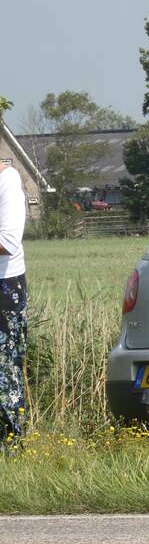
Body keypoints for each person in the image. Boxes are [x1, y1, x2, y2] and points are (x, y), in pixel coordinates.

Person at [0, 163, 28, 447]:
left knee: (4, 371)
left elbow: (7, 240)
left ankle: (10, 444)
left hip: (4, 287)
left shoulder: (6, 179)